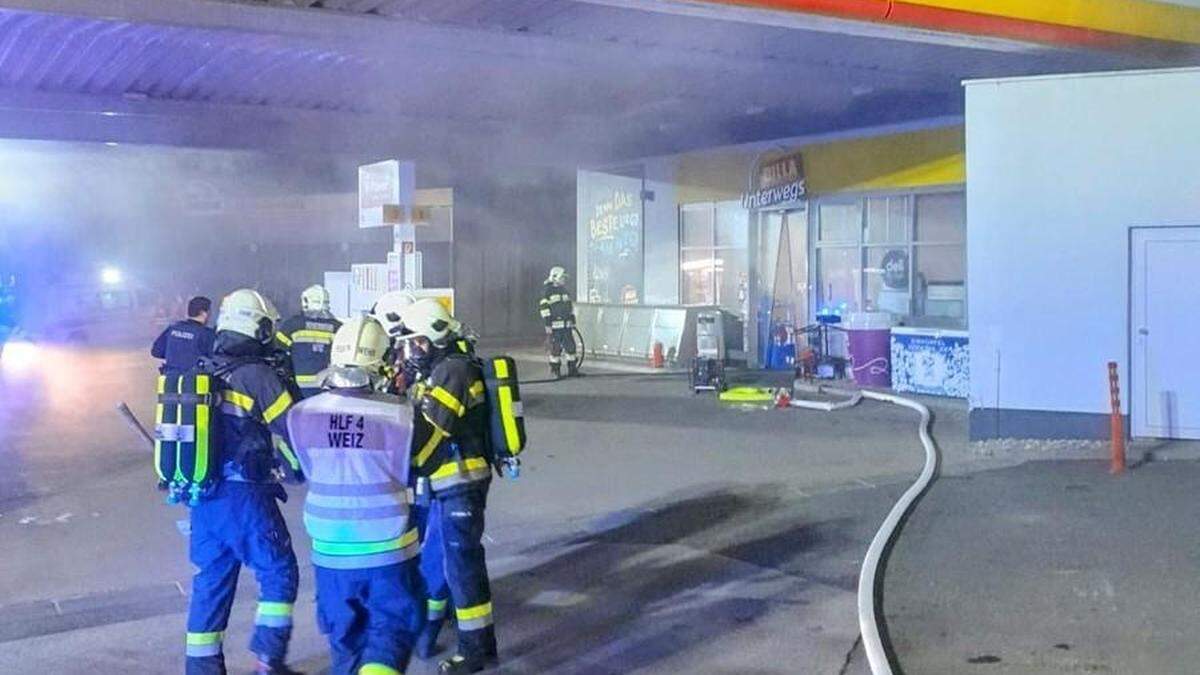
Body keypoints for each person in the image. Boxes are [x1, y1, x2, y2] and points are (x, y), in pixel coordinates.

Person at [286, 316, 424, 675]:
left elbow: (301, 470)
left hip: (330, 549)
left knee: (343, 639)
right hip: (387, 548)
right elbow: (419, 464)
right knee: (390, 633)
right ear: (381, 362)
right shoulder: (400, 414)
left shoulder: (301, 414)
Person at [185, 289, 305, 675]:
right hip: (245, 496)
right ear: (259, 327)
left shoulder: (202, 368)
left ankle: (201, 669)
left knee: (211, 583)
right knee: (279, 573)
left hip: (204, 495)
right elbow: (294, 428)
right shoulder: (257, 374)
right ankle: (268, 661)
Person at [395, 299, 498, 674]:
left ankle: (474, 653)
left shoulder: (453, 371)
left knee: (462, 567)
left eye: (419, 342)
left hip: (461, 481)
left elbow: (432, 434)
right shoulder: (442, 368)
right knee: (442, 560)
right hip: (446, 483)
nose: (414, 349)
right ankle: (454, 639)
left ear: (437, 335)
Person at [275, 285, 341, 398]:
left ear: (305, 301)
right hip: (329, 389)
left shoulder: (292, 326)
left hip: (298, 391)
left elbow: (277, 351)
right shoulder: (338, 328)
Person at [152, 295, 215, 376]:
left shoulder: (172, 329)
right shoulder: (207, 334)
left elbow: (156, 351)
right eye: (210, 312)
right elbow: (215, 359)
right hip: (195, 384)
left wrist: (176, 356)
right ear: (203, 313)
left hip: (170, 382)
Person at [539, 266, 578, 378]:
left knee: (571, 347)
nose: (564, 280)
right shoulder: (547, 292)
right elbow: (544, 309)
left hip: (566, 325)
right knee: (556, 348)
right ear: (555, 277)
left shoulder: (564, 291)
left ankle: (572, 370)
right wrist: (547, 323)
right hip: (555, 327)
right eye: (562, 277)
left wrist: (572, 319)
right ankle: (555, 371)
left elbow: (569, 306)